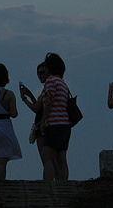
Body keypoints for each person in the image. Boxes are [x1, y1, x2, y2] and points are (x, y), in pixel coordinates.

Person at [27, 52, 71, 181]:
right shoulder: (63, 83)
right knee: (61, 158)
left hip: (54, 124)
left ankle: (47, 185)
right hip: (65, 124)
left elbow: (48, 103)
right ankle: (63, 184)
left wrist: (43, 122)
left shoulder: (51, 81)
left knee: (47, 157)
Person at [19, 62, 48, 166]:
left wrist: (24, 99)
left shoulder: (47, 89)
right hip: (47, 124)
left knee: (46, 161)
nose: (40, 75)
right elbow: (40, 107)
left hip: (42, 126)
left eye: (42, 73)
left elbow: (36, 108)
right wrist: (30, 95)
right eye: (38, 73)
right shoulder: (48, 89)